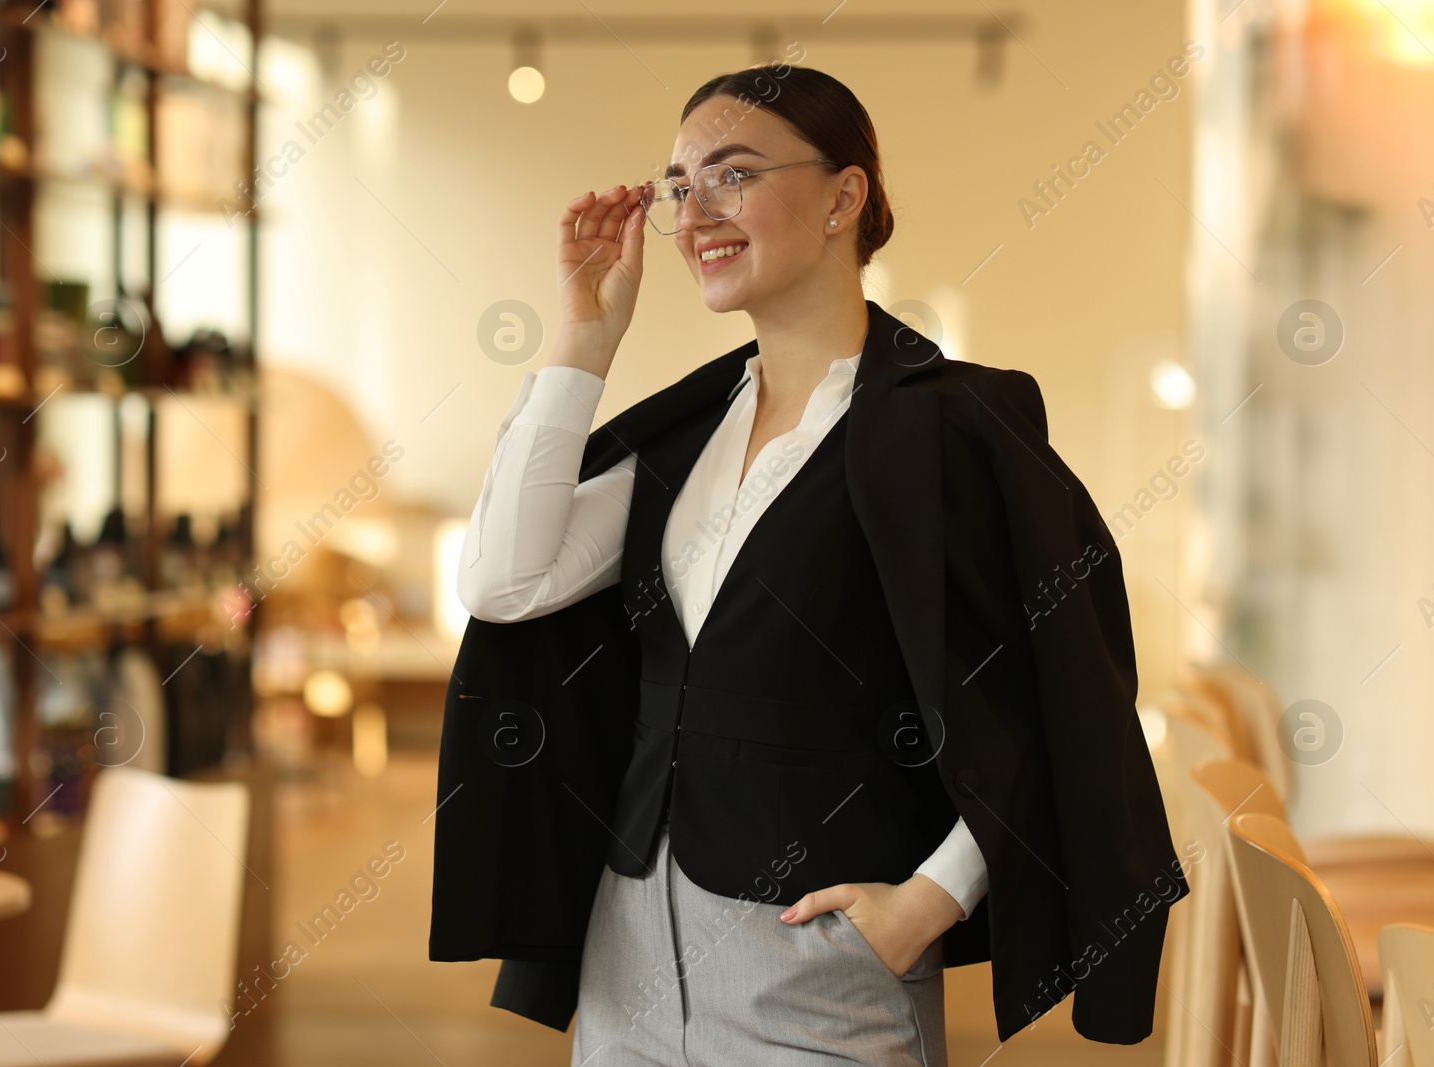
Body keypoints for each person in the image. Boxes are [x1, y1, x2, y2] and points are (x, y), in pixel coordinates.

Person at [433, 63, 1186, 1065]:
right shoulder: (689, 434)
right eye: (677, 185)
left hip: (818, 977)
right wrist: (584, 335)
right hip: (625, 968)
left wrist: (931, 899)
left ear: (845, 196)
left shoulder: (953, 428)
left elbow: (1066, 698)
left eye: (732, 174)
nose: (694, 210)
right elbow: (502, 580)